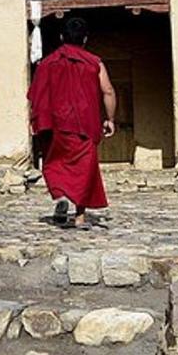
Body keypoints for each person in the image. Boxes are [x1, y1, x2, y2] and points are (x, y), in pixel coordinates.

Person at [27, 16, 117, 229]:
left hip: (55, 124)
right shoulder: (94, 62)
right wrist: (110, 119)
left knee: (56, 164)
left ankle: (61, 197)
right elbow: (108, 90)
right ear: (85, 39)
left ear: (61, 37)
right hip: (84, 124)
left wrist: (35, 121)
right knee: (84, 169)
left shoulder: (47, 63)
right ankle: (79, 217)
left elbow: (36, 95)